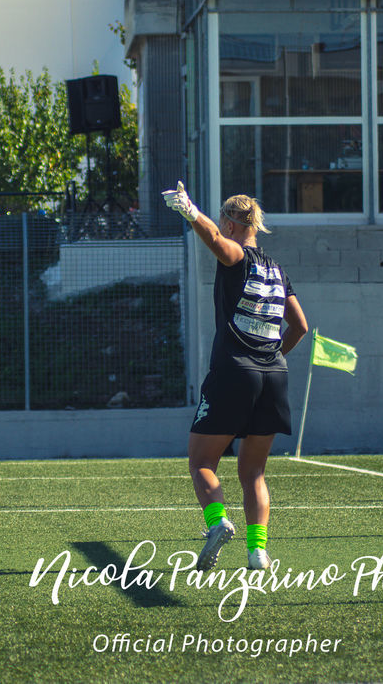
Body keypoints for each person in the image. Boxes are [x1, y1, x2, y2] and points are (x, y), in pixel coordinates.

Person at [162, 182, 308, 571]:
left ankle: (217, 523)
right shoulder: (278, 269)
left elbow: (213, 241)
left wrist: (189, 210)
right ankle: (258, 552)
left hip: (234, 372)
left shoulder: (236, 257)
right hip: (274, 375)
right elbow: (301, 327)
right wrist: (272, 356)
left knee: (202, 463)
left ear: (229, 222)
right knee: (254, 472)